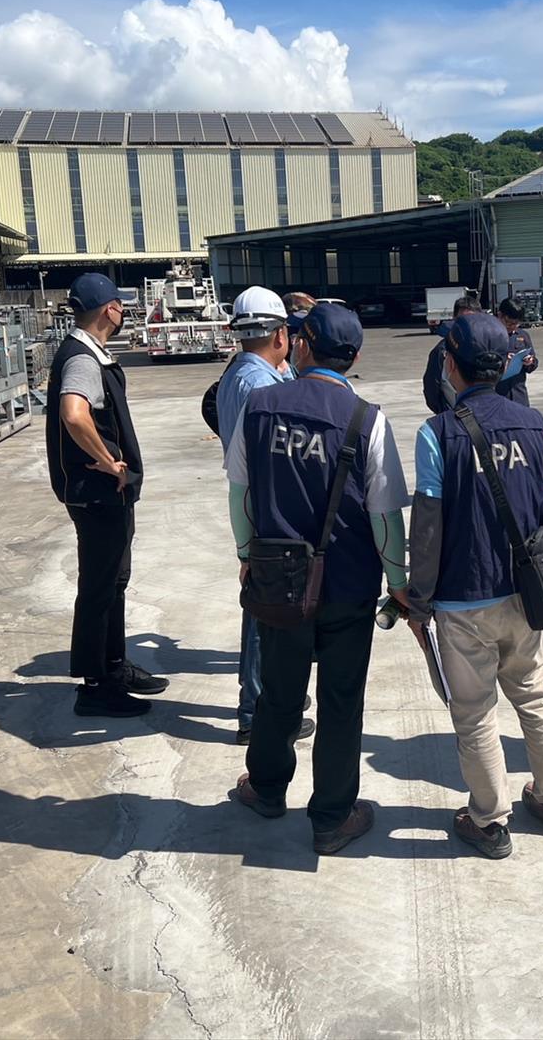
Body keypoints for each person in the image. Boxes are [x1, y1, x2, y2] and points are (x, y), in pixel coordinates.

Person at [230, 303, 412, 855]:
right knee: (340, 701)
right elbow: (385, 515)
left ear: (303, 344)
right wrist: (398, 580)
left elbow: (240, 491)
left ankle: (266, 788)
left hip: (279, 579)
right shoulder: (367, 419)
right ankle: (332, 818)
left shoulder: (260, 407)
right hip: (348, 585)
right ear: (353, 357)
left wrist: (245, 552)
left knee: (279, 691)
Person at [406, 313, 543, 859]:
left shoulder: (437, 434)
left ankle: (489, 819)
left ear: (450, 366)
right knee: (534, 694)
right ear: (505, 364)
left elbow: (427, 527)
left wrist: (418, 600)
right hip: (525, 593)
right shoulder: (539, 426)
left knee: (475, 712)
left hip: (463, 597)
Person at [45, 272, 166, 719]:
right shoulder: (82, 359)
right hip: (96, 492)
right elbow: (74, 414)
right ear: (110, 309)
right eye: (119, 305)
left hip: (107, 493)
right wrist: (108, 460)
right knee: (99, 586)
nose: (122, 312)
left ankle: (114, 665)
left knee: (115, 579)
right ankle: (96, 685)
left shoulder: (91, 352)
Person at [217, 287, 313, 746]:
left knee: (267, 607)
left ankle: (268, 700)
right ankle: (255, 712)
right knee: (263, 613)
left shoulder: (241, 374)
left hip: (255, 504)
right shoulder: (260, 386)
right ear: (279, 335)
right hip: (267, 508)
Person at [422, 293, 485, 414]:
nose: (468, 324)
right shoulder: (441, 352)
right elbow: (431, 390)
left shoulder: (488, 347)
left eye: (473, 320)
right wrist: (447, 415)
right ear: (454, 319)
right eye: (463, 320)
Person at [493, 297, 539, 407]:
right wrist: (504, 360)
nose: (513, 327)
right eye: (509, 323)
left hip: (519, 396)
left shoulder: (523, 335)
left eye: (516, 323)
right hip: (497, 396)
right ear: (500, 315)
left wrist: (530, 361)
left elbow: (533, 363)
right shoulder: (490, 336)